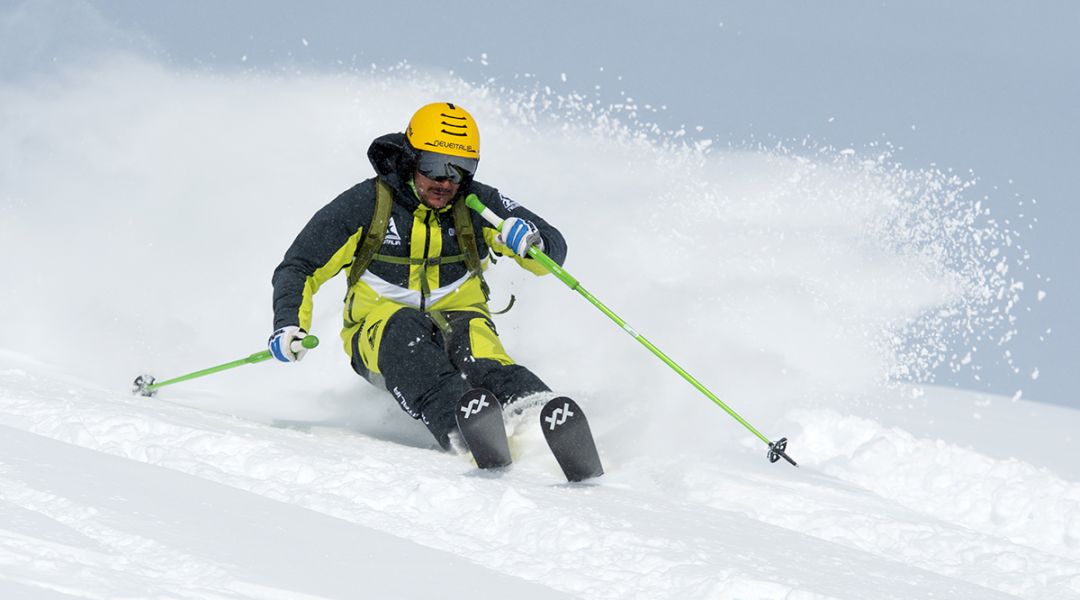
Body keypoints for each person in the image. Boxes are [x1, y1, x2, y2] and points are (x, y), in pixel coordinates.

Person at [268, 102, 567, 450]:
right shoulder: (366, 203)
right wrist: (288, 322)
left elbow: (553, 249)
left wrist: (531, 242)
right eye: (434, 167)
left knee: (483, 359)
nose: (445, 181)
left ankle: (539, 422)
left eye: (460, 169)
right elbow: (299, 265)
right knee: (407, 335)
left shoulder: (477, 203)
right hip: (379, 330)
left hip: (461, 317)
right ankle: (466, 430)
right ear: (411, 158)